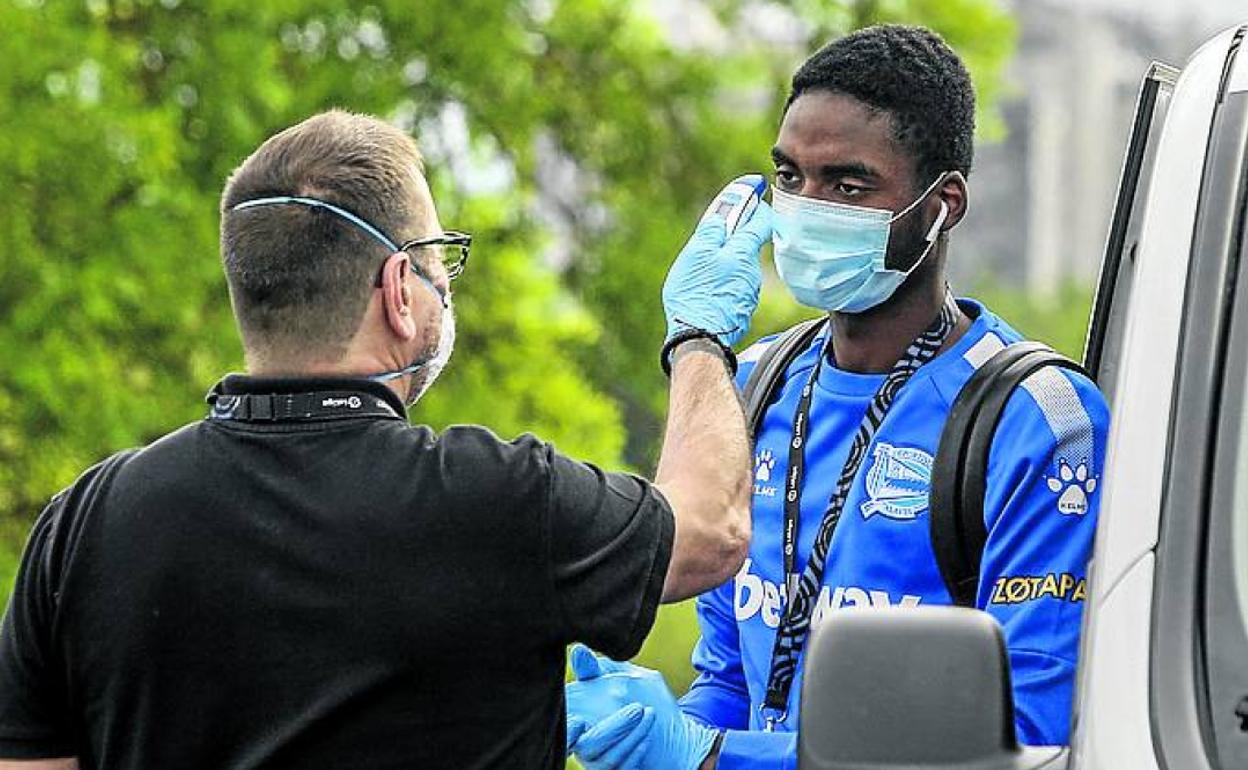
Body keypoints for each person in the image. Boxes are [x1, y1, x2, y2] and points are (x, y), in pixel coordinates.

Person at [0, 109, 775, 769]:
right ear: (401, 291)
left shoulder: (84, 523)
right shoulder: (495, 501)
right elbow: (710, 527)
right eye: (443, 261)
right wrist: (701, 339)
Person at [565, 24, 1111, 770]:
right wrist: (652, 733)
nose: (806, 207)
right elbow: (730, 677)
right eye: (788, 178)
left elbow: (1024, 734)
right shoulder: (752, 386)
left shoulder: (1037, 422)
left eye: (848, 185)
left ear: (942, 204)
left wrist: (715, 755)